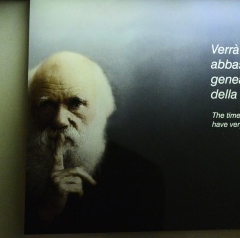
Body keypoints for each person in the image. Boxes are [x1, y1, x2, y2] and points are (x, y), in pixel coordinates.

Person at [24, 51, 165, 234]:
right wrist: (47, 211)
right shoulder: (9, 174)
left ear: (101, 108)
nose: (59, 120)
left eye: (75, 103)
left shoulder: (141, 178)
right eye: (46, 104)